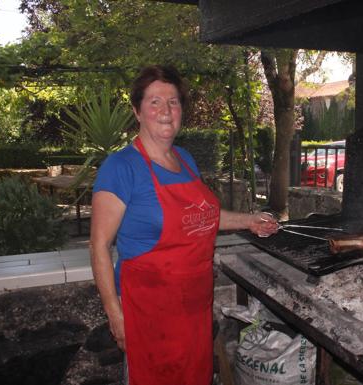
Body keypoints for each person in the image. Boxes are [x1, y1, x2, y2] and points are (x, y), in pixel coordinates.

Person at [89, 64, 279, 385]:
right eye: (155, 102)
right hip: (148, 313)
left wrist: (249, 220)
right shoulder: (121, 167)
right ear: (137, 111)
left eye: (173, 102)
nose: (166, 110)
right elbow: (98, 246)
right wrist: (115, 315)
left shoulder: (186, 160)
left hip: (194, 310)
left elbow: (201, 217)